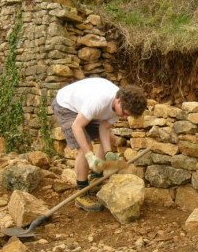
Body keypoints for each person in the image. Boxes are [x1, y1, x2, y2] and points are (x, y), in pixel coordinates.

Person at [52, 77, 147, 211]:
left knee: (111, 140)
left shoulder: (118, 107)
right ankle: (82, 193)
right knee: (86, 147)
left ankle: (95, 178)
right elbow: (77, 126)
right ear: (118, 101)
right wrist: (90, 155)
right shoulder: (100, 101)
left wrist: (108, 153)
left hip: (85, 109)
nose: (124, 117)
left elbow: (104, 128)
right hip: (66, 106)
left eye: (128, 116)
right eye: (125, 114)